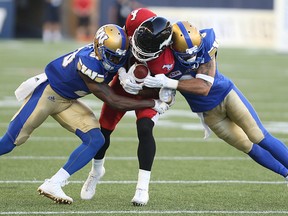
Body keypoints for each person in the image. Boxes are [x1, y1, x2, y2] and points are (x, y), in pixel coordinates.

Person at [0, 24, 169, 205]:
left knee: (96, 140)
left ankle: (54, 183)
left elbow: (128, 61)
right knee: (9, 142)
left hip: (68, 101)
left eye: (119, 57)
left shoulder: (116, 50)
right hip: (48, 94)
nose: (115, 61)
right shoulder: (88, 62)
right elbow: (114, 101)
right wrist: (152, 103)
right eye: (111, 56)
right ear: (98, 48)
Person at [143, 21, 288, 181]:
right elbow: (168, 94)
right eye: (186, 55)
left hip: (227, 96)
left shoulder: (206, 42)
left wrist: (169, 82)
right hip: (209, 115)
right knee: (248, 147)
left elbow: (204, 87)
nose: (191, 57)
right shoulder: (165, 61)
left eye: (194, 53)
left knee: (258, 135)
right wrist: (165, 97)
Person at [80, 9, 175, 206]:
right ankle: (96, 171)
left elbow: (169, 96)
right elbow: (121, 45)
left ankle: (142, 187)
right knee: (103, 131)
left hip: (150, 90)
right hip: (123, 84)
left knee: (145, 128)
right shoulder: (137, 19)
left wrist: (152, 86)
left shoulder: (168, 60)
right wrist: (122, 73)